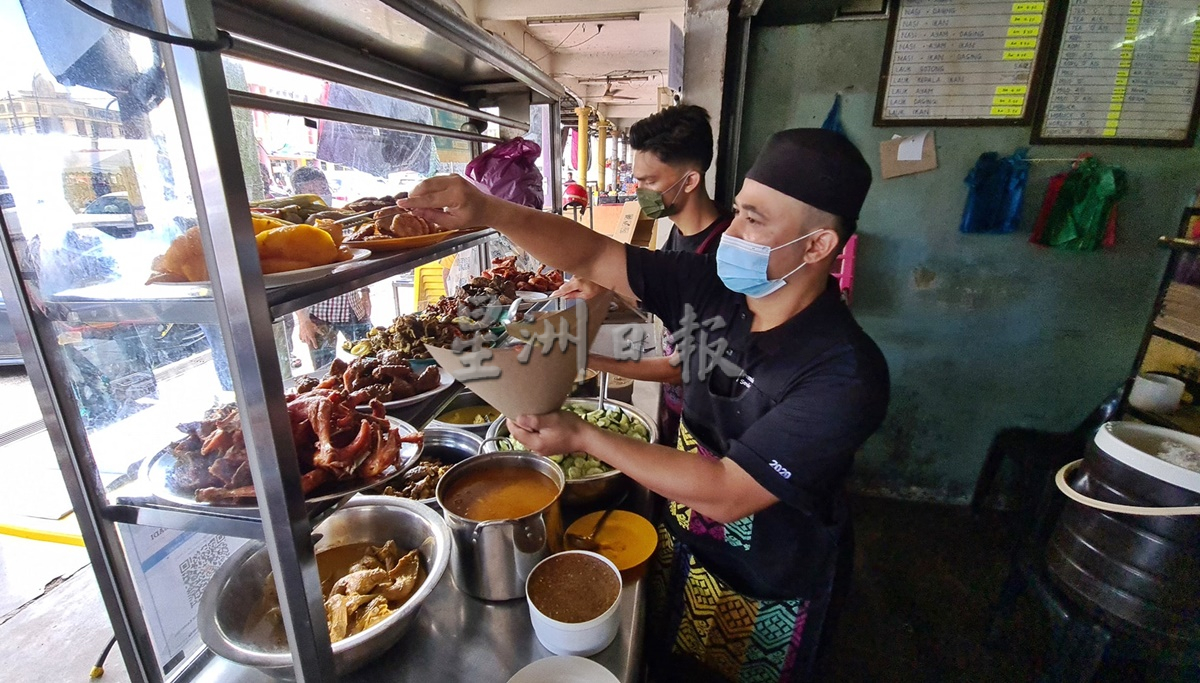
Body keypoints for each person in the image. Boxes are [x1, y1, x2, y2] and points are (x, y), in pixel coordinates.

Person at [401, 128, 889, 683]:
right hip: (685, 532)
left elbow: (729, 491)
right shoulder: (713, 289)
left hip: (774, 576)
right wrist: (489, 209)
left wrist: (583, 436)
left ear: (818, 245)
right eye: (737, 212)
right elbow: (590, 252)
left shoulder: (844, 372)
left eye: (755, 220)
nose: (733, 231)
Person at [564, 104, 732, 447]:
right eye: (637, 179)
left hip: (709, 427)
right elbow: (660, 300)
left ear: (691, 181)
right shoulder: (680, 234)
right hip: (678, 406)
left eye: (650, 181)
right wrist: (604, 288)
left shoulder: (719, 255)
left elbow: (679, 367)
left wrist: (587, 359)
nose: (639, 190)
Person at [288, 165, 373, 369]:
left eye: (323, 188)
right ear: (300, 195)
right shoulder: (299, 232)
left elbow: (358, 260)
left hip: (353, 307)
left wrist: (365, 293)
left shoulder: (342, 218)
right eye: (314, 191)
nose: (322, 194)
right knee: (326, 369)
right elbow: (295, 280)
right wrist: (302, 319)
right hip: (319, 314)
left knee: (371, 357)